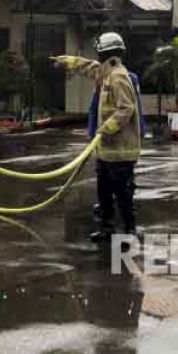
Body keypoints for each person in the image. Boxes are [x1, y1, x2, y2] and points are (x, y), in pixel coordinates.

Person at [52, 31, 141, 242]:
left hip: (121, 152)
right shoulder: (107, 72)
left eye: (99, 52)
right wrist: (68, 61)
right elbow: (89, 67)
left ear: (108, 54)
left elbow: (126, 109)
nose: (97, 56)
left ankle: (129, 229)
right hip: (106, 150)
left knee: (123, 193)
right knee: (104, 192)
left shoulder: (118, 77)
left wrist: (106, 128)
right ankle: (107, 228)